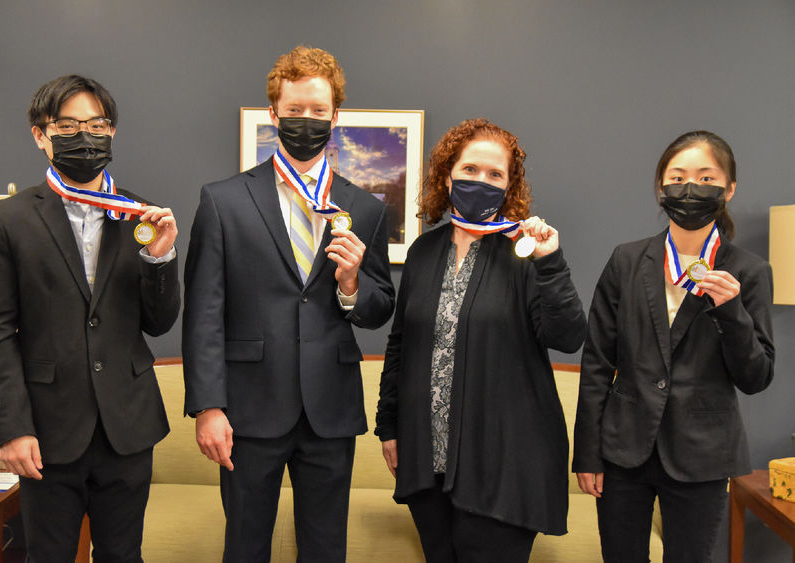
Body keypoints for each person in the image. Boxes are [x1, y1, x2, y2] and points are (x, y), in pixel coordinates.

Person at [182, 46, 395, 562]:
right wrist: (208, 406)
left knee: (325, 550)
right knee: (246, 547)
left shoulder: (363, 207)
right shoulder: (223, 200)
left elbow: (380, 305)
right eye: (295, 110)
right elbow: (204, 311)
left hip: (330, 409)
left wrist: (350, 284)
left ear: (335, 116)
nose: (306, 120)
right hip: (247, 409)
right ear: (274, 113)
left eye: (318, 112)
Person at [0, 74, 181, 562]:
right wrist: (12, 428)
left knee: (124, 555)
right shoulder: (8, 220)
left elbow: (160, 323)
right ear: (40, 136)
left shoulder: (141, 214)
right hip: (46, 430)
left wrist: (160, 260)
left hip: (128, 426)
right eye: (67, 125)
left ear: (112, 132)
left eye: (97, 124)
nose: (85, 136)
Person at [375, 118, 587, 562]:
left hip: (505, 461)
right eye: (470, 170)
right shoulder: (423, 252)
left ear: (509, 187)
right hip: (425, 457)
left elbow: (567, 337)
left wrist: (551, 264)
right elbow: (400, 346)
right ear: (447, 174)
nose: (481, 181)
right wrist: (389, 426)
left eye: (495, 175)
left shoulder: (525, 252)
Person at [572, 130, 775, 562]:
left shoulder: (749, 271)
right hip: (624, 448)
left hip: (703, 454)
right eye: (678, 176)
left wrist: (731, 310)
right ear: (660, 187)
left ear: (729, 188)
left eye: (706, 178)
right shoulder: (626, 260)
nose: (690, 188)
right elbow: (596, 363)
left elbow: (755, 377)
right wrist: (587, 454)